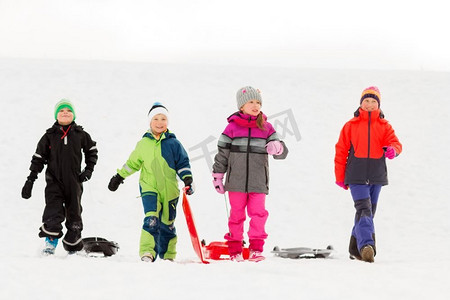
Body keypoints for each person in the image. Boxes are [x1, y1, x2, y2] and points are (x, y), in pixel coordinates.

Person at [108, 102, 194, 262]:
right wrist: (119, 177)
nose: (160, 122)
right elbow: (132, 163)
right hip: (149, 188)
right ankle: (147, 252)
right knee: (151, 219)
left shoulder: (174, 144)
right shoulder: (143, 144)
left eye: (163, 119)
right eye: (156, 119)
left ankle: (167, 255)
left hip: (170, 190)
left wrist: (187, 179)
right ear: (150, 122)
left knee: (167, 223)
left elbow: (183, 164)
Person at [212, 86, 288, 262]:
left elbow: (281, 151)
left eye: (258, 102)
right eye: (251, 102)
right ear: (241, 106)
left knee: (258, 214)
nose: (256, 106)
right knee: (237, 215)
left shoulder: (267, 127)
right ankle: (235, 250)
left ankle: (256, 249)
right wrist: (218, 176)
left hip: (258, 182)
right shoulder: (231, 128)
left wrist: (278, 148)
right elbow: (222, 154)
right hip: (236, 182)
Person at [334, 86, 402, 263]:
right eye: (367, 101)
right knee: (363, 209)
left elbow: (396, 143)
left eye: (373, 101)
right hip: (356, 175)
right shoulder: (350, 125)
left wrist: (393, 150)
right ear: (361, 103)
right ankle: (367, 247)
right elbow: (341, 152)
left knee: (369, 213)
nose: (370, 104)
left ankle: (353, 248)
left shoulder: (385, 126)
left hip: (376, 175)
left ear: (378, 104)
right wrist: (340, 176)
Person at [21, 99, 98, 255]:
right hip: (54, 181)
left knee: (74, 213)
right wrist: (31, 179)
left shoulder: (80, 134)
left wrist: (88, 170)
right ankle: (50, 243)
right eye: (61, 111)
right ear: (56, 115)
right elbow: (38, 158)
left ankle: (72, 246)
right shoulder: (49, 136)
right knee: (53, 211)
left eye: (68, 111)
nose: (65, 113)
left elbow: (92, 151)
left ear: (74, 115)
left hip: (74, 181)